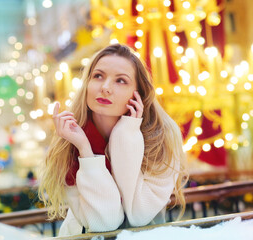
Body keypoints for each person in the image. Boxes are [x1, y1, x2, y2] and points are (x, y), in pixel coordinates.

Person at [38, 44, 188, 236]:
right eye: (98, 76)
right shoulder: (69, 140)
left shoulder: (162, 136)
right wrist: (85, 149)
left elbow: (138, 215)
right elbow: (104, 223)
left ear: (138, 94)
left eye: (121, 81)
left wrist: (126, 134)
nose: (106, 88)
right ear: (87, 84)